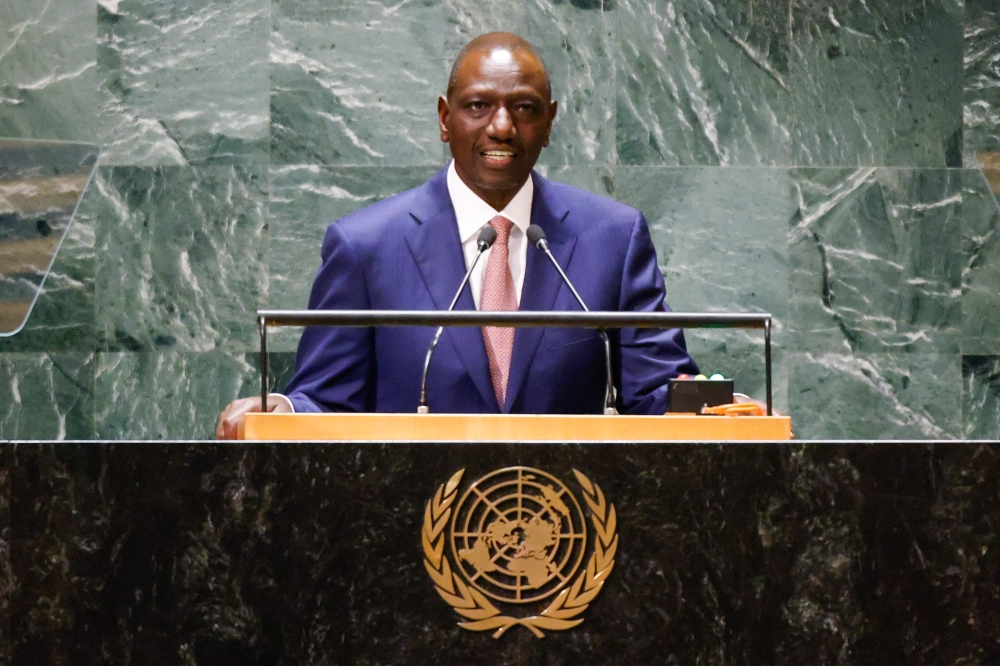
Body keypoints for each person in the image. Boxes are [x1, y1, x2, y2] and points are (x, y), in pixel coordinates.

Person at [217, 32, 699, 439]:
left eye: (524, 108)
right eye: (479, 106)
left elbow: (658, 390)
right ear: (446, 119)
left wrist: (716, 407)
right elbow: (327, 399)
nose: (503, 127)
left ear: (549, 122)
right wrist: (284, 410)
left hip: (570, 530)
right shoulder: (366, 247)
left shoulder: (612, 238)